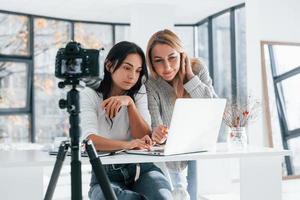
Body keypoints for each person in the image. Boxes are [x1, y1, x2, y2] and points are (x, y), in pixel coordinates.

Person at [80, 41, 173, 200]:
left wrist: (130, 104)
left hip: (143, 169)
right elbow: (90, 141)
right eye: (127, 67)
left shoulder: (139, 93)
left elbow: (145, 137)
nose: (132, 76)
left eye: (137, 71)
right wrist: (127, 145)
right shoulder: (90, 95)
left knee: (163, 197)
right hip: (105, 174)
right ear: (109, 65)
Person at [145, 29, 217, 200]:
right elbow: (156, 126)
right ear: (151, 63)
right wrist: (158, 135)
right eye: (158, 61)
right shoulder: (151, 83)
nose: (167, 67)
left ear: (182, 55)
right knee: (179, 193)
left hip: (200, 144)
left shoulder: (197, 68)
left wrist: (190, 78)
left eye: (172, 57)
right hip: (172, 152)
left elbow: (212, 106)